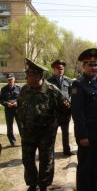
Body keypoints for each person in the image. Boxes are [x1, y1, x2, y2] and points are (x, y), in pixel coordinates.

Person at [17, 58, 69, 191]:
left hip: (46, 134)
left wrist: (55, 124)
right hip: (28, 133)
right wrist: (22, 129)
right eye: (27, 75)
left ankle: (44, 185)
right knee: (27, 160)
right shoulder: (24, 90)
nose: (27, 77)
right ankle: (32, 184)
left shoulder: (52, 90)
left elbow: (66, 109)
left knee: (46, 162)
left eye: (30, 75)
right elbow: (20, 109)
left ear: (39, 75)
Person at [71, 48, 97, 191]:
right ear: (84, 66)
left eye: (96, 64)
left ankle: (93, 187)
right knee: (85, 166)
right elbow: (77, 113)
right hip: (87, 134)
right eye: (90, 65)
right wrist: (82, 135)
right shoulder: (78, 85)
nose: (94, 67)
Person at [48, 59, 74, 156]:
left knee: (65, 133)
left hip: (65, 112)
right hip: (54, 113)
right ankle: (50, 153)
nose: (60, 70)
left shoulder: (68, 81)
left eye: (62, 69)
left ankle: (66, 151)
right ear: (54, 69)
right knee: (52, 134)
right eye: (58, 68)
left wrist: (70, 103)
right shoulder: (49, 81)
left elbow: (72, 94)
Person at [0, 73, 22, 146]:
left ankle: (24, 140)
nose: (10, 81)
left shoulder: (19, 88)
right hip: (8, 110)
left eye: (11, 79)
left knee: (21, 125)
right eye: (9, 80)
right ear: (7, 80)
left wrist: (17, 103)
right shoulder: (3, 89)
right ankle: (12, 142)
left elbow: (23, 98)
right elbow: (1, 100)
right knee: (9, 126)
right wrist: (7, 104)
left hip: (18, 110)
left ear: (14, 79)